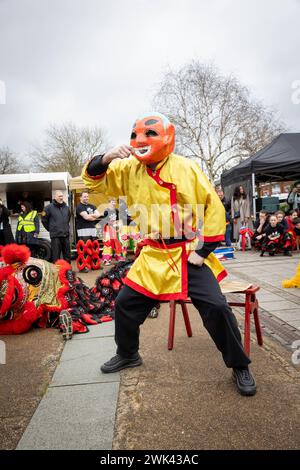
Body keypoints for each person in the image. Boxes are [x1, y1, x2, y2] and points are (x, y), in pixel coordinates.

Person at [82, 112, 256, 397]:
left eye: (150, 134)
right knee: (125, 303)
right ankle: (128, 353)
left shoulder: (186, 168)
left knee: (217, 307)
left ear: (167, 136)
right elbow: (93, 184)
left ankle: (239, 365)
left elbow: (213, 207)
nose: (140, 140)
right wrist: (107, 157)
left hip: (187, 252)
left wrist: (203, 250)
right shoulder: (126, 169)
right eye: (135, 134)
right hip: (152, 255)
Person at [41, 191, 71, 263]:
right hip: (55, 236)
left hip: (65, 235)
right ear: (55, 197)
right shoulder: (48, 208)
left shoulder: (66, 208)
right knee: (56, 256)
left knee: (67, 255)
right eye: (59, 196)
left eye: (62, 196)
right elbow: (44, 220)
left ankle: (68, 271)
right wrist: (51, 229)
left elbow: (68, 218)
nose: (61, 198)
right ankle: (57, 272)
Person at [76, 191, 101, 273]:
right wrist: (93, 216)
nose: (86, 198)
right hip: (83, 231)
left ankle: (94, 265)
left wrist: (92, 216)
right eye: (84, 196)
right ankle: (83, 267)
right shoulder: (79, 207)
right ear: (80, 198)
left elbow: (98, 215)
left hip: (92, 230)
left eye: (87, 196)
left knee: (93, 249)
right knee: (84, 250)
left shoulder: (92, 206)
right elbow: (86, 217)